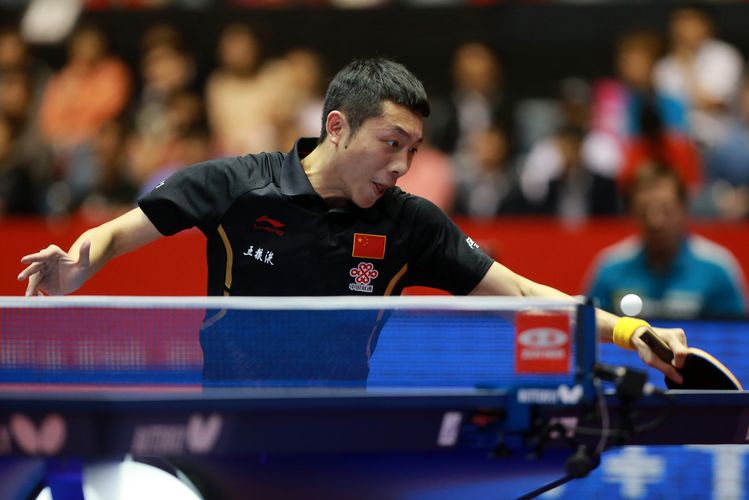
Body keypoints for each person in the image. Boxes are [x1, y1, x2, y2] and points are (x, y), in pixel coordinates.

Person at [17, 58, 688, 384]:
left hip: (341, 423)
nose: (401, 166)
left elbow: (520, 294)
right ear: (336, 127)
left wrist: (628, 332)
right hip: (224, 422)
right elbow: (121, 230)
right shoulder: (236, 184)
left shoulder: (409, 225)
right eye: (389, 144)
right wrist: (82, 261)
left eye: (413, 151)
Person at [586, 163, 747, 319]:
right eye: (644, 211)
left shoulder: (717, 269)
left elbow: (733, 337)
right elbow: (590, 332)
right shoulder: (610, 267)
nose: (655, 221)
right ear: (632, 212)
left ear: (684, 207)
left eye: (666, 210)